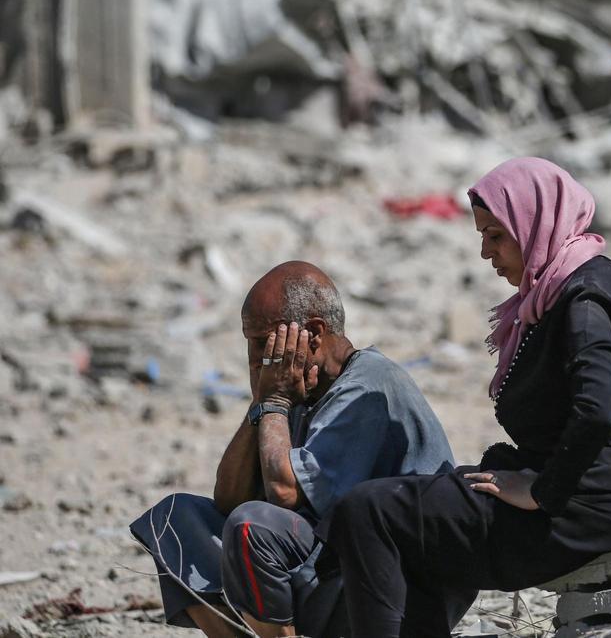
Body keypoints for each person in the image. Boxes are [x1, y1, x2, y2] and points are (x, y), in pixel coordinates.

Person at [316, 157, 611, 637]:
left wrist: (543, 491)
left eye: (496, 236)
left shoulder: (583, 301)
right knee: (412, 518)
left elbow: (597, 413)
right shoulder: (572, 287)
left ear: (535, 223)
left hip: (581, 517)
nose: (486, 253)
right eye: (482, 237)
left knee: (368, 511)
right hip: (596, 505)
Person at [129, 261, 455, 637]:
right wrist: (261, 403)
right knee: (174, 516)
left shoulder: (368, 385)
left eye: (262, 342)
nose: (254, 358)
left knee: (252, 525)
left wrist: (275, 403)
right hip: (327, 566)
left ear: (314, 334)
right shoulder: (300, 390)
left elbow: (283, 493)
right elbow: (228, 497)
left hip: (394, 586)